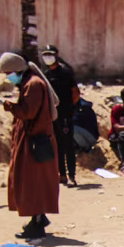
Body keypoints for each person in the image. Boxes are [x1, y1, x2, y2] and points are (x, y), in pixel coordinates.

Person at [0, 52, 60, 240]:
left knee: (34, 183)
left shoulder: (33, 84)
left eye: (9, 72)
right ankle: (37, 219)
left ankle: (38, 221)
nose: (9, 76)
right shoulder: (29, 83)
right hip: (31, 139)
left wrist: (10, 106)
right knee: (31, 181)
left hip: (35, 141)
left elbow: (28, 112)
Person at [39, 44, 78, 187]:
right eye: (45, 54)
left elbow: (75, 93)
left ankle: (72, 175)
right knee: (58, 146)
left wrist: (69, 109)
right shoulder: (45, 74)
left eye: (50, 54)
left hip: (65, 114)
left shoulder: (66, 72)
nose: (47, 57)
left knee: (68, 145)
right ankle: (62, 175)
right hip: (52, 115)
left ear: (56, 55)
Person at [68, 85, 99, 156]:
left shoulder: (84, 106)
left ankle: (85, 147)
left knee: (72, 128)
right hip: (79, 134)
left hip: (90, 136)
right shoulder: (70, 105)